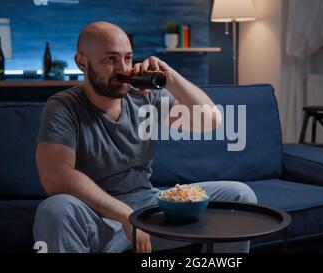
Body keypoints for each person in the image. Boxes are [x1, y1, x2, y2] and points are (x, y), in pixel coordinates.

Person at [33, 21, 257, 253]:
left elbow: (211, 121)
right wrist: (124, 215)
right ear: (82, 62)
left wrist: (170, 77)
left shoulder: (144, 98)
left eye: (128, 58)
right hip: (95, 216)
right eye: (110, 59)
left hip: (148, 210)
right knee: (55, 208)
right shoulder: (64, 106)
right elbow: (56, 177)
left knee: (239, 196)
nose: (123, 68)